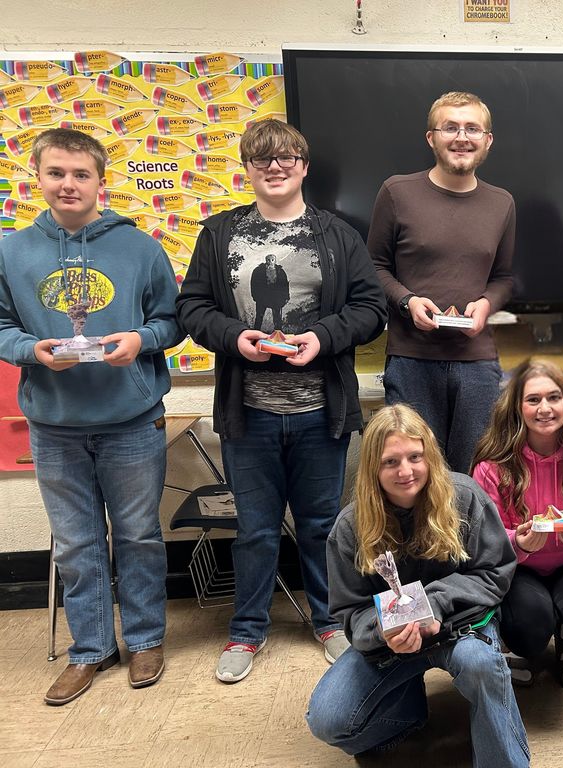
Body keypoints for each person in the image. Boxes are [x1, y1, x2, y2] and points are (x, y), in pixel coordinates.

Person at [176, 119, 387, 682]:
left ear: (304, 166)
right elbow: (192, 308)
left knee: (322, 524)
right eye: (261, 159)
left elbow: (371, 308)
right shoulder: (219, 234)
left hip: (322, 410)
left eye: (286, 157)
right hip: (250, 415)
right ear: (247, 168)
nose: (275, 167)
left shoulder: (338, 235)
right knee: (256, 529)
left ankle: (329, 622)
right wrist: (234, 338)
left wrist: (322, 337)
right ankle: (246, 633)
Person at [0, 128, 183, 704]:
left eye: (81, 174)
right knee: (75, 543)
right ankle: (90, 650)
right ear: (38, 178)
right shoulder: (11, 251)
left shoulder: (140, 247)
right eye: (57, 173)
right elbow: (3, 329)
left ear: (101, 182)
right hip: (54, 426)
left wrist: (141, 339)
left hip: (131, 419)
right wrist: (32, 352)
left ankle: (146, 639)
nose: (69, 184)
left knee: (138, 535)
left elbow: (173, 321)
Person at [306, 404, 529, 768]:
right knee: (329, 721)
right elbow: (349, 612)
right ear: (372, 469)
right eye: (390, 462)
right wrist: (383, 630)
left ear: (430, 457)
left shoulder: (464, 496)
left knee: (480, 664)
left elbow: (495, 571)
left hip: (460, 628)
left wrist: (434, 603)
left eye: (415, 457)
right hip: (391, 645)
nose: (406, 471)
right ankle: (409, 710)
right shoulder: (350, 527)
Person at [368, 91, 515, 474]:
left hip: (477, 363)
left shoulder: (502, 203)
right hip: (412, 359)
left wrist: (486, 304)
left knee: (473, 475)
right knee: (414, 476)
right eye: (450, 127)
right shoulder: (397, 192)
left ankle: (466, 539)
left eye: (472, 128)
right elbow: (374, 266)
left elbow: (503, 277)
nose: (461, 137)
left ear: (488, 140)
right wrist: (407, 302)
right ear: (431, 137)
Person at [472, 358, 563, 688]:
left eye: (554, 397)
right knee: (529, 629)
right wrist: (518, 543)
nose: (545, 408)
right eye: (533, 399)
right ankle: (517, 641)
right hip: (518, 570)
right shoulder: (492, 465)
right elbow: (482, 546)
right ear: (517, 406)